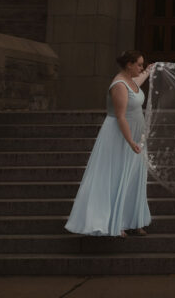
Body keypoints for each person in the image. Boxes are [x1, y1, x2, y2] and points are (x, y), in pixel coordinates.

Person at [65, 49, 152, 238]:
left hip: (136, 135)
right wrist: (130, 141)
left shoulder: (130, 80)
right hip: (120, 136)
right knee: (118, 175)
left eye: (142, 64)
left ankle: (134, 220)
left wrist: (149, 71)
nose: (141, 67)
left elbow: (137, 83)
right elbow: (120, 117)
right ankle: (116, 222)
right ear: (129, 65)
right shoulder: (119, 85)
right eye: (139, 64)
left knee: (134, 178)